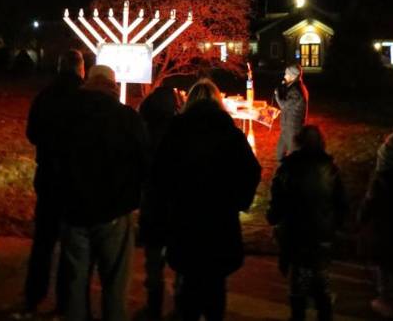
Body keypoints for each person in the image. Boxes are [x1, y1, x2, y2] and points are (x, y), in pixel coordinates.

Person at [151, 79, 261, 321]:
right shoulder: (230, 133)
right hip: (220, 220)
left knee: (188, 282)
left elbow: (159, 173)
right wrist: (238, 201)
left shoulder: (176, 131)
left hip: (184, 218)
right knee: (215, 285)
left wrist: (168, 202)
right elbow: (251, 171)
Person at [52, 65, 149, 321]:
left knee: (75, 282)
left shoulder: (64, 115)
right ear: (112, 85)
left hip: (73, 209)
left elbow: (52, 159)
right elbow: (144, 160)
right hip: (115, 211)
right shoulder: (127, 117)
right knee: (115, 284)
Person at [23, 49, 85, 316]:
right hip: (75, 179)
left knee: (43, 242)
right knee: (71, 245)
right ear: (80, 68)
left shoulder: (45, 96)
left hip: (48, 175)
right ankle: (65, 301)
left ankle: (33, 296)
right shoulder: (85, 98)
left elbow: (32, 133)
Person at [267, 125, 347, 321]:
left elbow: (277, 202)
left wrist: (274, 218)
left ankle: (299, 315)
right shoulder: (331, 169)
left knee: (298, 288)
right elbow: (341, 204)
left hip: (297, 239)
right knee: (322, 286)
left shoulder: (288, 169)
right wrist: (336, 226)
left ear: (298, 142)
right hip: (321, 238)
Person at [358, 133, 393, 318]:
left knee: (382, 266)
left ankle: (386, 300)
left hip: (382, 229)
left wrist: (361, 218)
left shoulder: (380, 180)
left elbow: (369, 203)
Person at [137, 86, 181, 320]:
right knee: (180, 262)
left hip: (153, 206)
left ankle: (153, 307)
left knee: (153, 263)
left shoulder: (144, 131)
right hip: (176, 208)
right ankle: (180, 308)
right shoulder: (181, 131)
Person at [274, 64, 308, 160]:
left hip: (293, 130)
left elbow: (284, 105)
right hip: (286, 128)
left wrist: (277, 94)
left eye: (286, 74)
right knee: (280, 154)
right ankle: (284, 173)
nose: (284, 76)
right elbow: (287, 103)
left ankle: (296, 173)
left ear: (292, 76)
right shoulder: (293, 87)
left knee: (296, 157)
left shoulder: (297, 91)